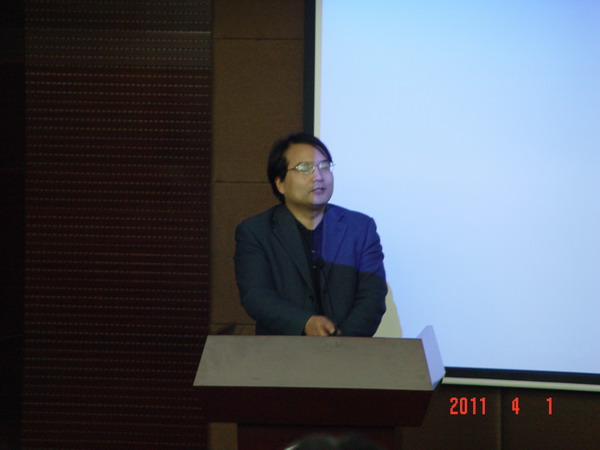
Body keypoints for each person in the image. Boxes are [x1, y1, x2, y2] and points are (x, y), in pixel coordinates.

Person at [234, 132, 387, 336]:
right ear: (280, 183)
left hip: (348, 348)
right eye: (305, 168)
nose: (318, 176)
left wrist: (341, 342)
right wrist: (304, 323)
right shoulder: (256, 231)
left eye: (324, 166)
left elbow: (372, 297)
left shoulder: (360, 228)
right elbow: (256, 296)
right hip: (282, 350)